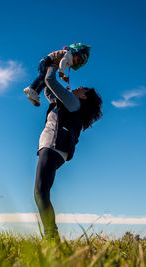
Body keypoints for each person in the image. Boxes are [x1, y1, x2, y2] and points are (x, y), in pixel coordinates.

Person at [33, 66, 102, 242]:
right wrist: (44, 71)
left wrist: (53, 64)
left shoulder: (74, 103)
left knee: (41, 191)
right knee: (40, 191)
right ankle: (51, 236)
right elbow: (49, 91)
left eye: (83, 89)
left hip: (53, 145)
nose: (79, 88)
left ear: (84, 97)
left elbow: (50, 81)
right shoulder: (65, 103)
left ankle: (51, 237)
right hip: (52, 146)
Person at [24, 43, 91, 107]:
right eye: (78, 59)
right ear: (75, 52)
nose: (76, 62)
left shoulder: (68, 61)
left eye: (78, 62)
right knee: (42, 75)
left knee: (44, 82)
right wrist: (61, 72)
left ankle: (35, 94)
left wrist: (63, 76)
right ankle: (31, 88)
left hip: (50, 65)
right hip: (46, 62)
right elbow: (62, 62)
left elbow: (62, 67)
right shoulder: (68, 55)